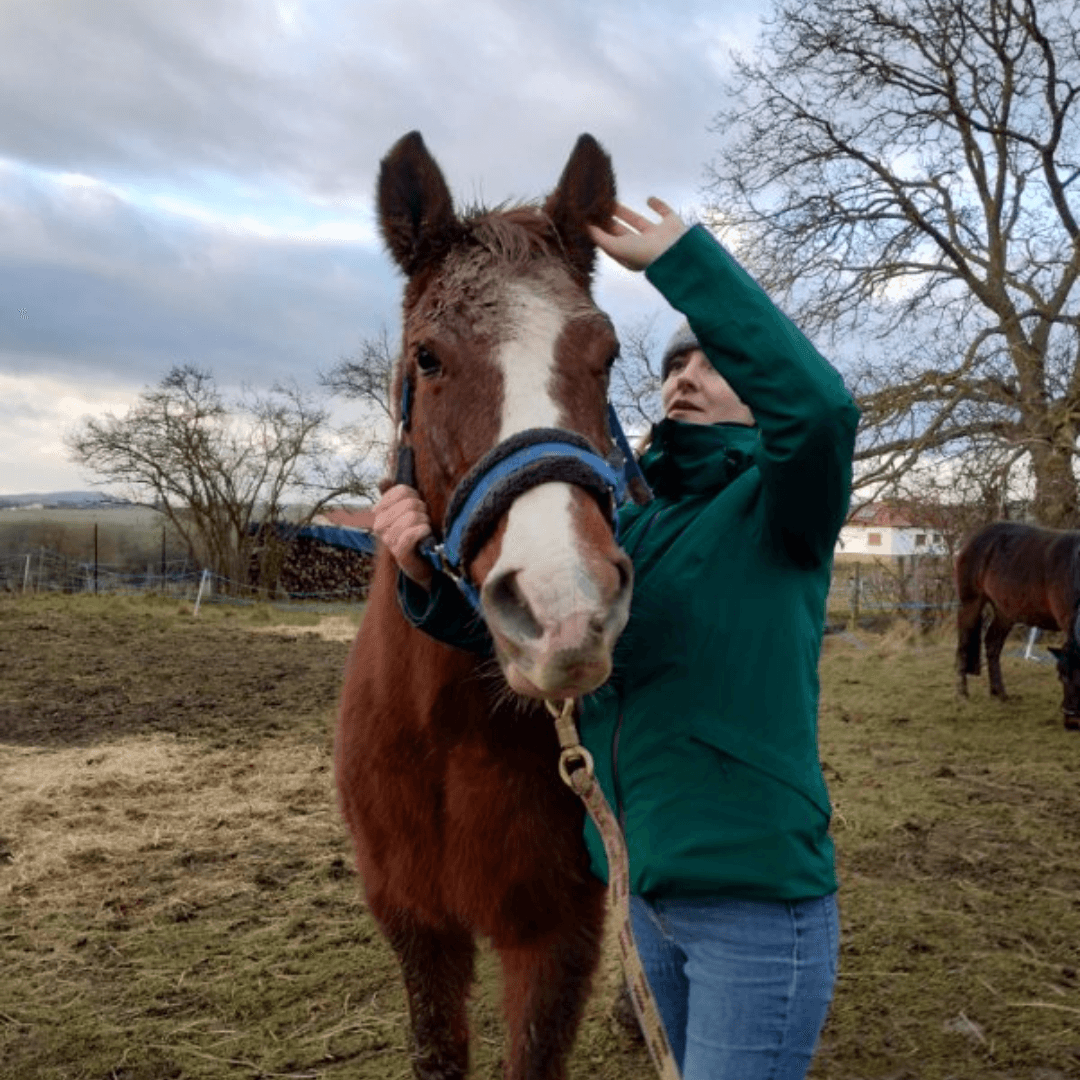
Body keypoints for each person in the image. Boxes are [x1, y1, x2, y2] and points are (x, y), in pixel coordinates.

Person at [374, 197, 859, 1080]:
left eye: (714, 364)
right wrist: (423, 585)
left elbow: (821, 413)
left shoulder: (782, 514)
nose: (685, 373)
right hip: (646, 891)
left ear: (760, 396)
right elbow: (547, 643)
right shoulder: (635, 532)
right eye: (674, 363)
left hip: (754, 903)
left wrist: (685, 266)